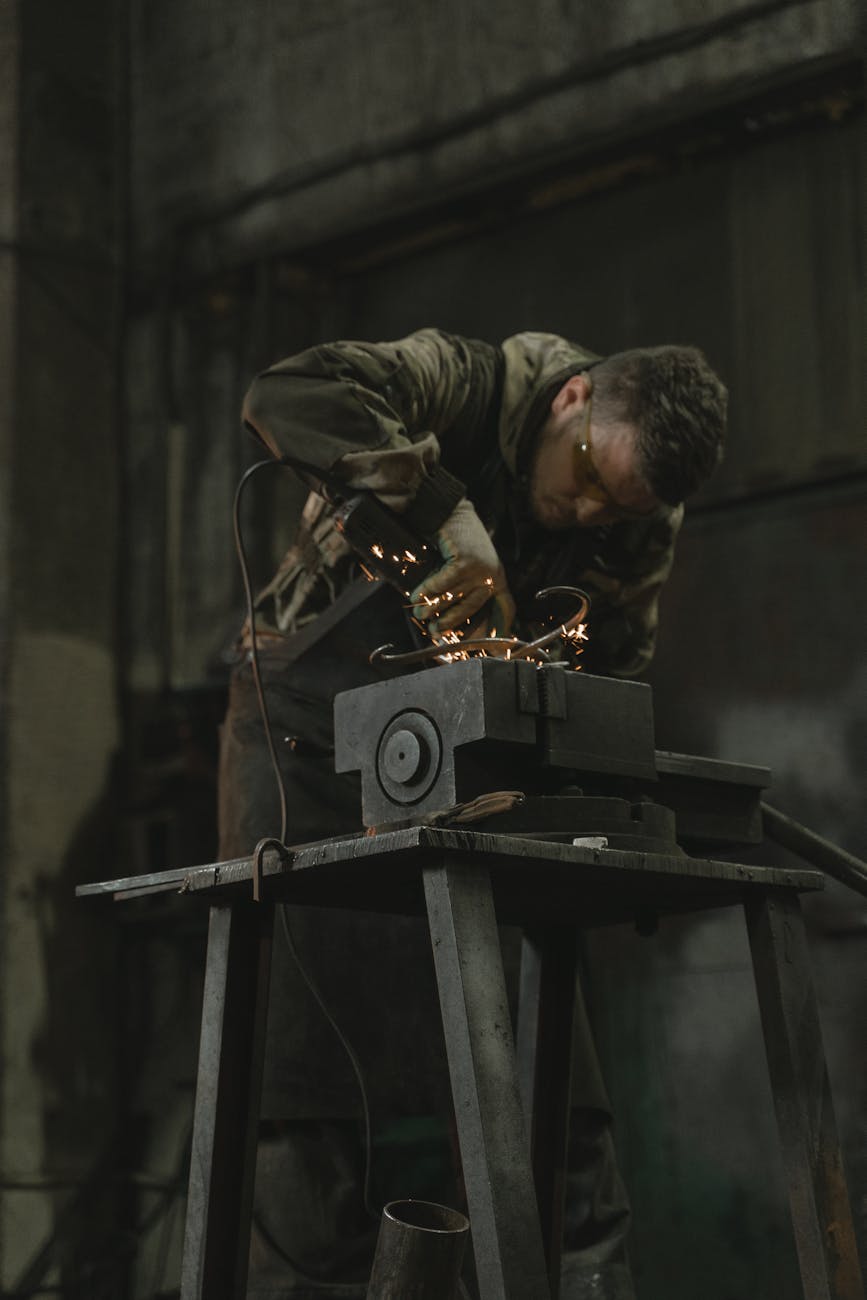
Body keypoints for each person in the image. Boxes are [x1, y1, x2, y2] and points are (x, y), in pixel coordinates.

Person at [219, 328, 727, 1299]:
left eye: (609, 506)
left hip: (473, 759)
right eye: (583, 476)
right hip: (308, 729)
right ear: (572, 398)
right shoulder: (461, 382)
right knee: (304, 1071)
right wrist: (444, 514)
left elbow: (606, 676)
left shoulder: (634, 514)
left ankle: (577, 1274)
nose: (582, 511)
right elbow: (285, 389)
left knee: (536, 1046)